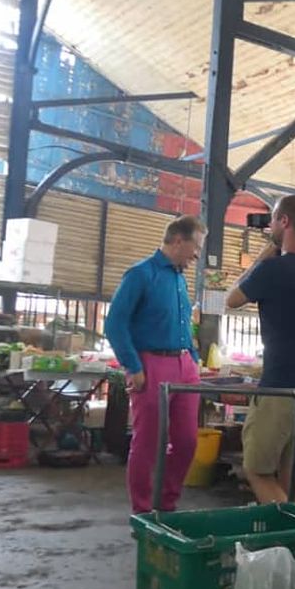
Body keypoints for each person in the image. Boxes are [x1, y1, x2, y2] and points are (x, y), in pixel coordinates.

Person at [226, 194, 295, 505]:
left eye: (273, 220)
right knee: (292, 475)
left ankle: (294, 529)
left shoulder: (272, 269)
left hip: (283, 386)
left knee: (257, 470)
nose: (270, 227)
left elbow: (231, 299)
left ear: (285, 221)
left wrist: (262, 259)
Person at [104, 215, 207, 514]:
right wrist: (133, 366)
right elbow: (115, 323)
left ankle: (166, 504)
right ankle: (143, 510)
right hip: (152, 365)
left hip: (185, 365)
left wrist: (193, 359)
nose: (197, 255)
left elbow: (183, 324)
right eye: (196, 247)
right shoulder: (140, 274)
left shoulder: (179, 279)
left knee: (187, 442)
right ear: (178, 240)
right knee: (148, 442)